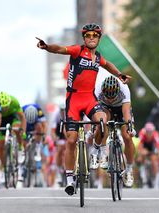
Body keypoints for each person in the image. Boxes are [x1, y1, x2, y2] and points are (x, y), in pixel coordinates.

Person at [37, 23, 131, 195]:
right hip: (73, 99)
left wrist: (119, 75)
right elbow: (60, 49)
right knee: (71, 140)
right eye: (88, 35)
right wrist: (47, 47)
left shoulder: (98, 58)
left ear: (99, 38)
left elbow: (108, 64)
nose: (92, 38)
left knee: (103, 121)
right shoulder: (77, 51)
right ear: (84, 38)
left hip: (89, 99)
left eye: (95, 35)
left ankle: (97, 148)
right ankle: (70, 179)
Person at [94, 75, 135, 187]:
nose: (110, 99)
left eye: (113, 97)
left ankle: (129, 169)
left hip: (121, 108)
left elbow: (126, 112)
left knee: (127, 136)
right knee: (103, 121)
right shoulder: (97, 90)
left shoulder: (124, 89)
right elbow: (95, 111)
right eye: (108, 96)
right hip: (106, 108)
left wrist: (130, 128)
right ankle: (102, 152)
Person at [0, 92, 26, 181]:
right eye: (2, 107)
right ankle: (3, 168)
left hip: (12, 116)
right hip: (0, 118)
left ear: (9, 103)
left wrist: (23, 131)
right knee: (0, 146)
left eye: (6, 107)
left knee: (16, 129)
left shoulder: (14, 102)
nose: (4, 109)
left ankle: (20, 148)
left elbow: (22, 118)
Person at [138, 122, 159, 187]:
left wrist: (158, 155)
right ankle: (143, 171)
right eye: (148, 132)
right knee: (143, 154)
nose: (149, 134)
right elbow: (140, 145)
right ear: (145, 131)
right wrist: (140, 154)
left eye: (151, 132)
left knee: (154, 160)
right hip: (145, 146)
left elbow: (158, 145)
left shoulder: (155, 134)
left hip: (151, 146)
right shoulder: (142, 133)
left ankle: (155, 178)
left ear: (153, 131)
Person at [50, 102, 67, 186]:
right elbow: (53, 131)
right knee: (59, 149)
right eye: (62, 110)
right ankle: (59, 170)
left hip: (67, 131)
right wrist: (55, 140)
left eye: (64, 110)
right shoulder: (56, 114)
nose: (63, 112)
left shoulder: (69, 113)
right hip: (59, 133)